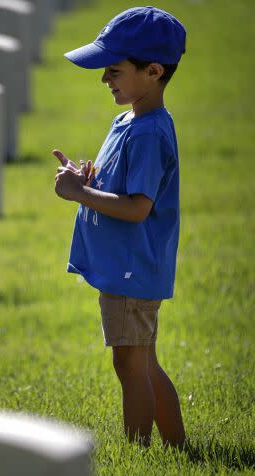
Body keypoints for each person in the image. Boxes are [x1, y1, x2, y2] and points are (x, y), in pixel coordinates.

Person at [53, 7, 186, 447]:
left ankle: (139, 452)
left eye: (113, 71)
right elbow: (123, 187)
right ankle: (176, 446)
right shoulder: (127, 120)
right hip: (129, 268)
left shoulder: (148, 131)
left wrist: (79, 194)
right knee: (142, 363)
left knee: (130, 366)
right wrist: (90, 180)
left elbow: (137, 208)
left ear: (153, 71)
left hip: (133, 270)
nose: (104, 79)